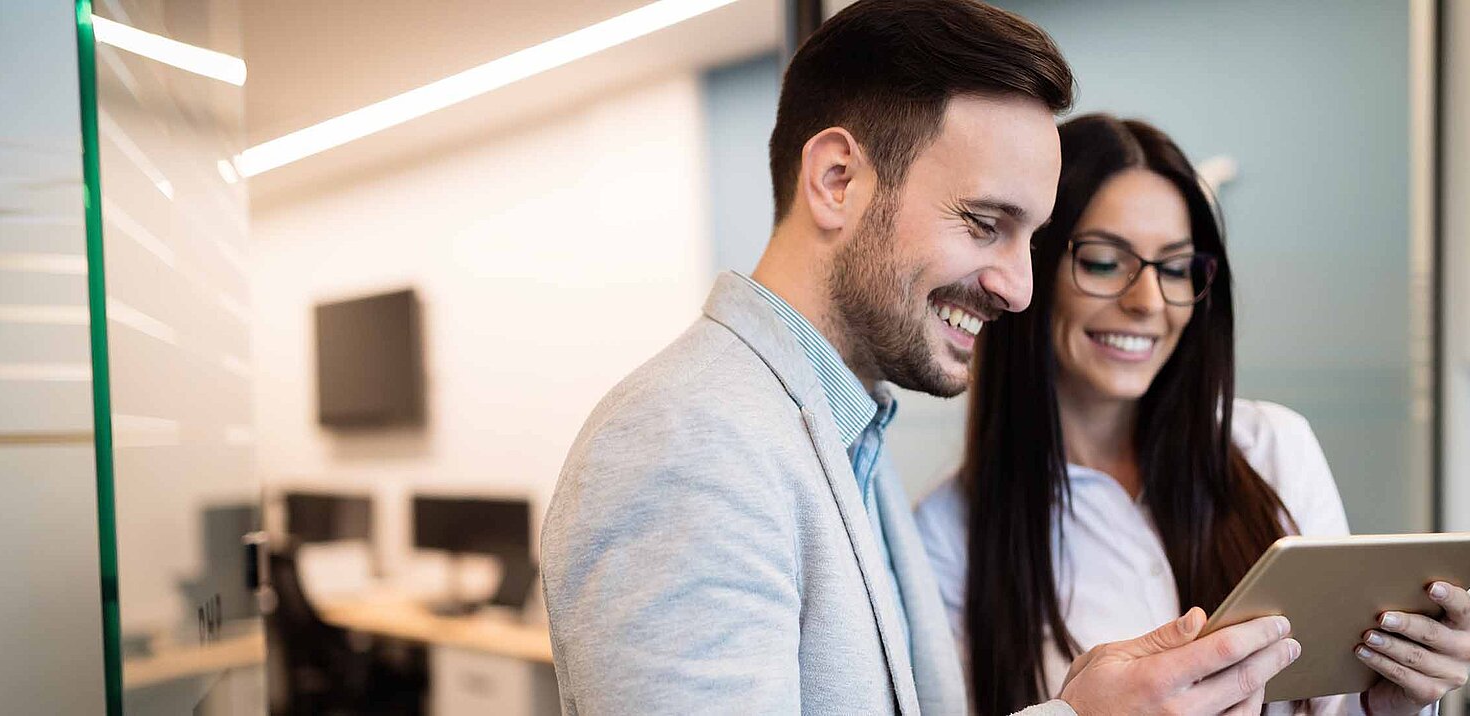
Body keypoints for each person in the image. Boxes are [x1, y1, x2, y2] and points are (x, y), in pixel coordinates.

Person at [541, 3, 1300, 714]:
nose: (1019, 289)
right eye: (983, 223)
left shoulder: (836, 439)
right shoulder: (689, 444)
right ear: (836, 180)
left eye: (1029, 240)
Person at [914, 114, 1470, 715]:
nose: (1148, 303)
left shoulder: (1274, 446)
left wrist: (1394, 705)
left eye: (1177, 268)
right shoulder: (949, 532)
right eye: (1106, 262)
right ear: (1032, 271)